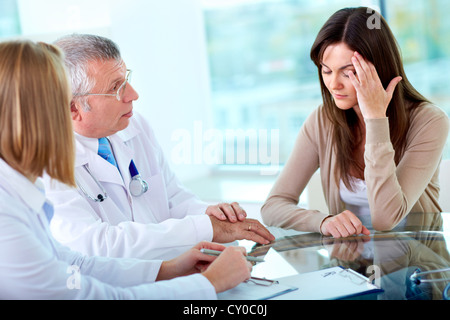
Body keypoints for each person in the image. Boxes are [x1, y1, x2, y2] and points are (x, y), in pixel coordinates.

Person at [0, 39, 251, 300]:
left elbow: (77, 266)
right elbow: (90, 295)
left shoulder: (18, 194)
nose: (132, 95)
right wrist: (209, 284)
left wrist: (170, 268)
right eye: (59, 104)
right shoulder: (6, 213)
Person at [43, 34, 274, 260]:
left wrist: (210, 214)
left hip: (168, 274)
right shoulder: (44, 164)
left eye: (127, 80)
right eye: (116, 88)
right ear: (73, 107)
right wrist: (203, 228)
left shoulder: (133, 125)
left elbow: (172, 197)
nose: (133, 95)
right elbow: (97, 246)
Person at [261, 7, 449, 238]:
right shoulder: (323, 120)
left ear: (379, 68)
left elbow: (385, 218)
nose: (334, 84)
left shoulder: (429, 121)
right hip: (351, 268)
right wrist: (323, 221)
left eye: (348, 73)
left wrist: (376, 120)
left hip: (416, 267)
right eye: (326, 70)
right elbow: (273, 207)